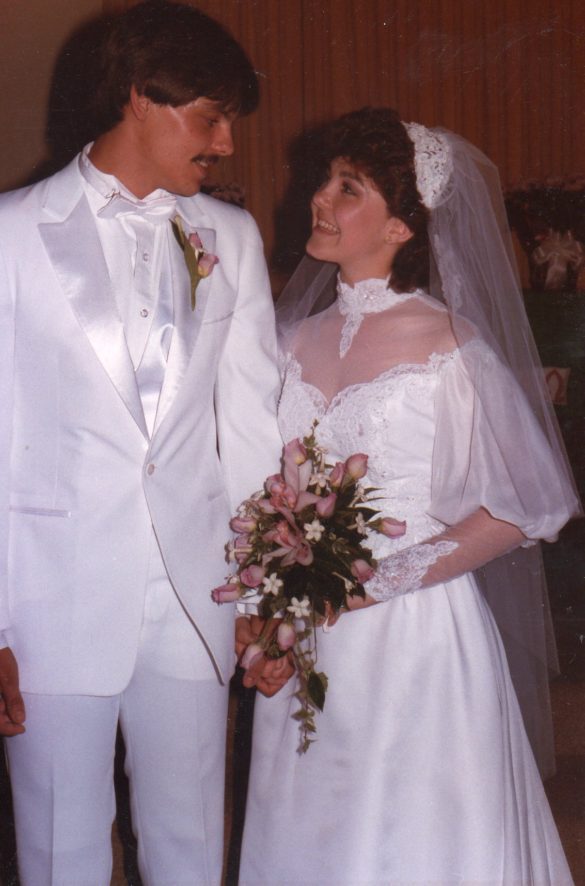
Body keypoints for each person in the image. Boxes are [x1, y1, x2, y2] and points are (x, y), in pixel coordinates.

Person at [238, 108, 581, 884]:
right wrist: (269, 612)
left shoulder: (447, 345)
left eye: (348, 187)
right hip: (307, 631)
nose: (319, 199)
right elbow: (264, 492)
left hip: (414, 635)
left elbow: (525, 507)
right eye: (324, 180)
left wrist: (375, 580)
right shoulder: (287, 339)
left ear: (400, 227)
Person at [0, 1, 284, 883]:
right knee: (60, 853)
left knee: (193, 843)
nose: (227, 145)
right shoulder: (9, 235)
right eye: (209, 118)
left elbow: (250, 430)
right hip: (48, 603)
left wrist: (263, 588)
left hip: (198, 600)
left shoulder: (229, 239)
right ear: (138, 100)